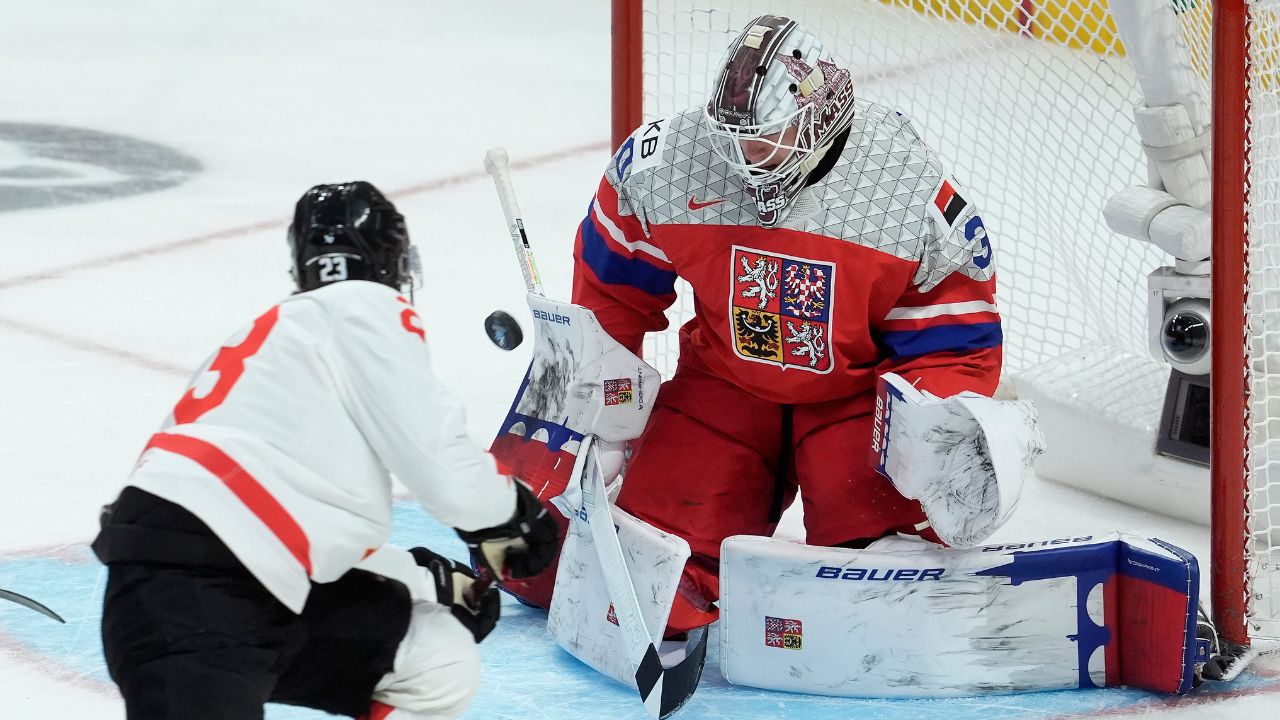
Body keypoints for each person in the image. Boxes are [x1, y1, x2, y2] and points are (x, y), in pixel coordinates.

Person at [564, 14, 1003, 633]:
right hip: (725, 387)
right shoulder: (670, 163)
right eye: (736, 138)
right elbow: (611, 287)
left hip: (856, 401)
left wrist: (935, 432)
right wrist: (601, 413)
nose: (747, 156)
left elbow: (952, 333)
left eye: (766, 137)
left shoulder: (900, 183)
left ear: (818, 114)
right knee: (657, 559)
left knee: (881, 576)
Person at [91, 181, 558, 720]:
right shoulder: (363, 307)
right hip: (193, 604)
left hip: (220, 588)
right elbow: (442, 464)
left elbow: (273, 521)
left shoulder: (276, 344)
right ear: (389, 260)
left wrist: (419, 579)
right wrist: (512, 517)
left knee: (434, 653)